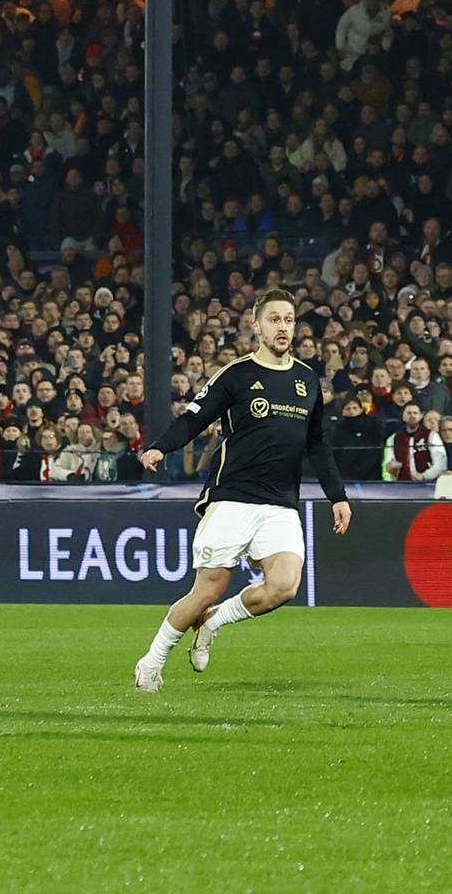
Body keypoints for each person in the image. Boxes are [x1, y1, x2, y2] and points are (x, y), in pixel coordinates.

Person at [132, 289, 351, 693]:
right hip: (234, 497)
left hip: (282, 503)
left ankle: (214, 622)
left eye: (288, 320)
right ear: (256, 326)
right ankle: (151, 661)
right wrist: (161, 446)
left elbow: (317, 442)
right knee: (205, 590)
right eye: (274, 320)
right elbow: (194, 418)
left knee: (285, 586)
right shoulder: (236, 375)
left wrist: (337, 495)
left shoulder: (306, 379)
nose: (283, 327)